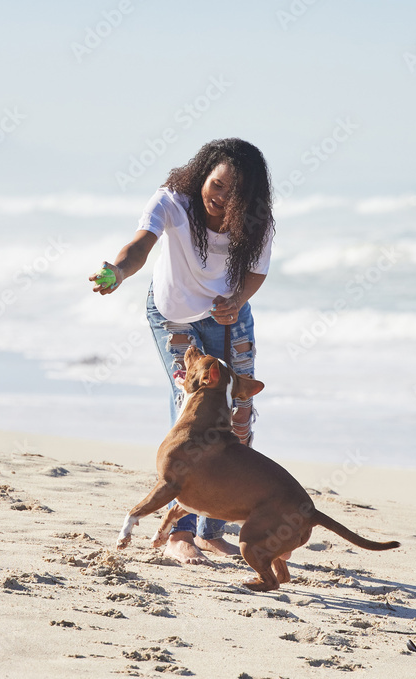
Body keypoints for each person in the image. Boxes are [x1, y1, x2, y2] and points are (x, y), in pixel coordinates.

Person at [90, 138, 275, 565]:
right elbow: (140, 245)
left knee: (238, 415)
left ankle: (214, 527)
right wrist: (117, 270)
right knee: (191, 410)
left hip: (229, 315)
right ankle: (179, 532)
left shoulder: (257, 222)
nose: (221, 197)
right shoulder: (173, 201)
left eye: (234, 192)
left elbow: (257, 273)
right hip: (173, 315)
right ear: (203, 176)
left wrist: (237, 301)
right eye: (217, 185)